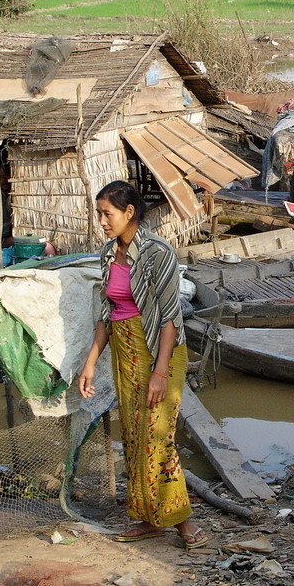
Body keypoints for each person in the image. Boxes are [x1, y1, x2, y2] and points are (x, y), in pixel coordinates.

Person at [78, 181, 207, 548]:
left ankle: (180, 521)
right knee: (134, 435)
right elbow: (107, 313)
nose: (101, 221)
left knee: (158, 436)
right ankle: (147, 518)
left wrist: (160, 372)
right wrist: (90, 363)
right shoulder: (107, 253)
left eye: (107, 214)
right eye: (99, 213)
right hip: (124, 351)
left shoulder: (157, 252)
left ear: (129, 212)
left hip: (159, 352)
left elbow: (169, 318)